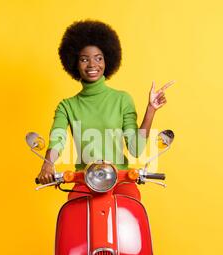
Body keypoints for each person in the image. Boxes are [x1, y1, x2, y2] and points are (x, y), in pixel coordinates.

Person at [36, 20, 174, 200]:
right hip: (84, 181)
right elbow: (58, 138)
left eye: (98, 58)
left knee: (131, 206)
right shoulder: (67, 106)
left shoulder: (122, 99)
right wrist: (48, 163)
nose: (92, 64)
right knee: (73, 212)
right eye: (84, 59)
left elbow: (135, 149)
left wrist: (151, 110)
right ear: (75, 63)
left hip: (121, 180)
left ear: (107, 60)